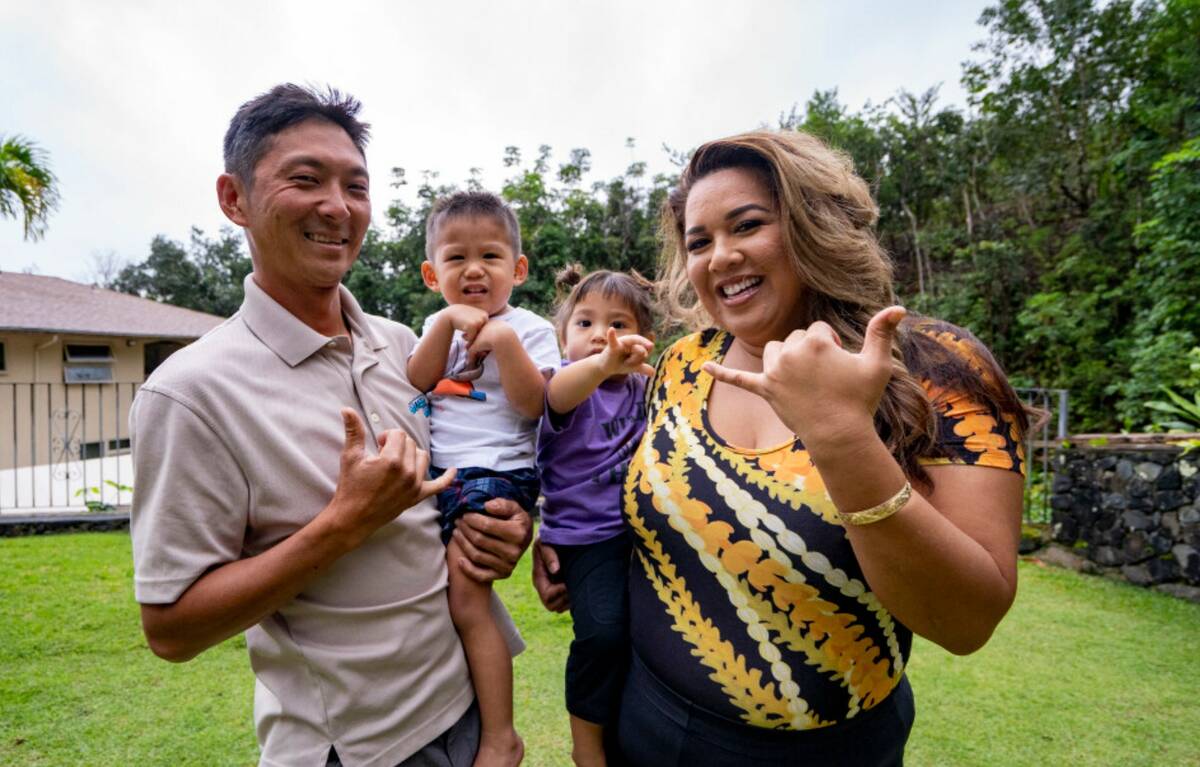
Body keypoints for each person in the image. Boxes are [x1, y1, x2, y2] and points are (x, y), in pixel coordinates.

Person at [536, 130, 1030, 765]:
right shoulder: (683, 364)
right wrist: (572, 544)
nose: (721, 257)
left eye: (746, 226)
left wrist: (842, 436)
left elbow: (967, 623)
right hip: (647, 721)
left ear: (811, 222)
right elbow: (633, 480)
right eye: (699, 242)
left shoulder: (939, 369)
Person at [129, 84, 533, 767]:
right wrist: (343, 522)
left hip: (467, 703)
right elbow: (171, 628)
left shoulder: (403, 345)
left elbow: (462, 477)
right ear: (235, 200)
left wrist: (503, 530)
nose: (337, 208)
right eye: (305, 180)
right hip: (356, 748)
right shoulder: (190, 392)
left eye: (356, 186)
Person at [407, 190, 561, 767]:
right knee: (445, 597)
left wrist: (505, 344)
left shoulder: (531, 328)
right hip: (444, 474)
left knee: (469, 599)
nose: (474, 270)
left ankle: (501, 736)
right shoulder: (434, 324)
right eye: (456, 258)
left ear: (517, 270)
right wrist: (446, 325)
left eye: (491, 257)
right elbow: (417, 382)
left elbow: (534, 406)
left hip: (497, 472)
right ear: (432, 274)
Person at [533, 265, 656, 766]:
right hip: (585, 538)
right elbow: (559, 395)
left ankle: (629, 734)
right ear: (563, 336)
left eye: (619, 325)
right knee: (602, 634)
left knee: (644, 639)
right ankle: (586, 746)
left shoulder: (644, 388)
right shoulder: (566, 382)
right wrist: (605, 362)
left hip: (641, 536)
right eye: (584, 323)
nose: (602, 335)